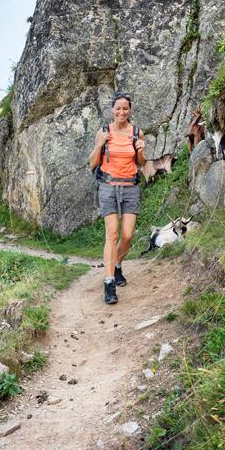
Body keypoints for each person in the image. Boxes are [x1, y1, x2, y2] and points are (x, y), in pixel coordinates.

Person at [88, 91, 146, 304]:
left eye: (125, 108)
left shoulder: (137, 133)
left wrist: (141, 150)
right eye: (118, 108)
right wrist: (98, 144)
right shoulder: (103, 132)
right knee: (112, 234)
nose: (122, 112)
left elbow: (140, 162)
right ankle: (109, 283)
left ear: (129, 110)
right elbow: (93, 163)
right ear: (112, 110)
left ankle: (118, 265)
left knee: (128, 235)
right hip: (108, 187)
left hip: (130, 186)